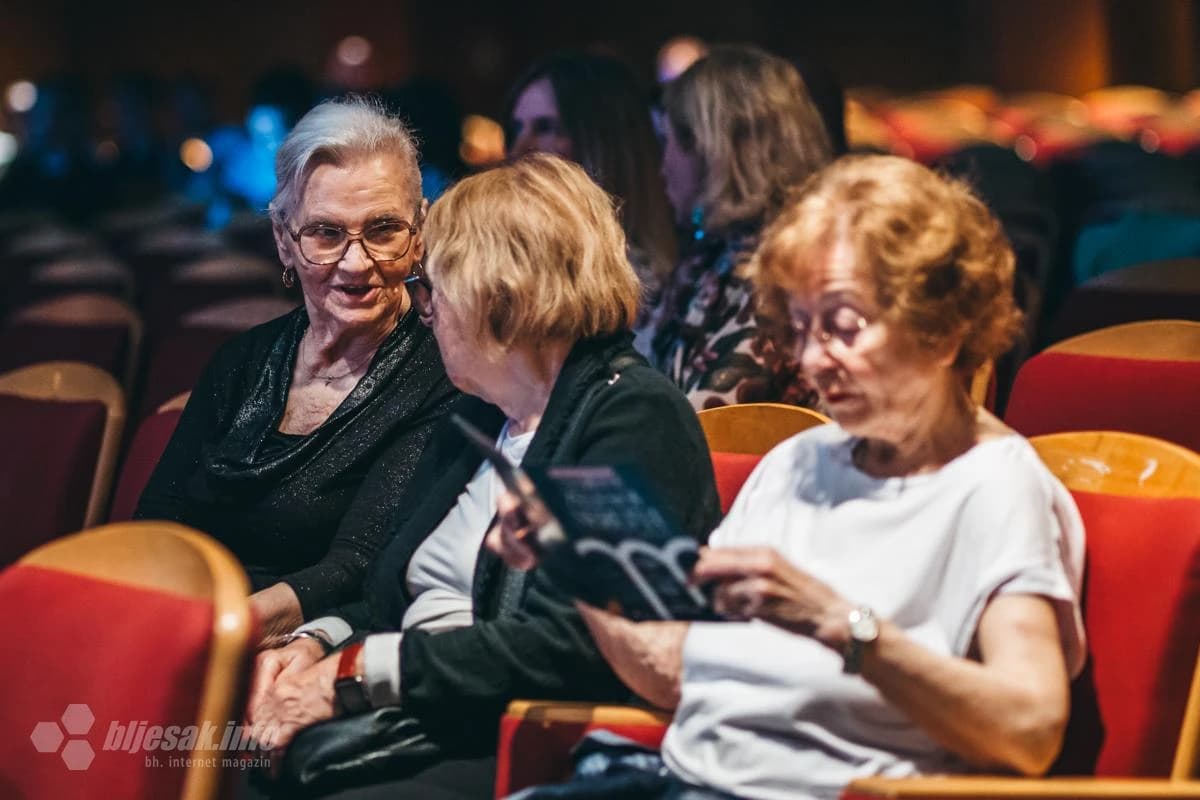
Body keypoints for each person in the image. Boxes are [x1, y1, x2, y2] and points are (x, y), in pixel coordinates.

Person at [491, 155, 1087, 800]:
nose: (812, 359)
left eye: (843, 327)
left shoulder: (994, 484)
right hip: (679, 779)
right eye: (802, 329)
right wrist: (576, 562)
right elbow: (676, 675)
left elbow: (1030, 730)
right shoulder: (798, 461)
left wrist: (840, 623)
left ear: (942, 330)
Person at [246, 154, 720, 799]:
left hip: (526, 739)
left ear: (497, 295)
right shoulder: (475, 416)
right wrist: (316, 642)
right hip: (420, 714)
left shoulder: (631, 417)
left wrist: (358, 673)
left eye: (433, 290)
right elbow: (392, 598)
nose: (425, 312)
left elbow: (574, 646)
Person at [136, 97, 458, 643]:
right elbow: (158, 525)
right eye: (326, 234)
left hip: (307, 644)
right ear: (284, 241)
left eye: (383, 230)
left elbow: (356, 567)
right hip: (190, 625)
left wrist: (214, 634)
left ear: (419, 232)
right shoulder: (241, 361)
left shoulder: (442, 375)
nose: (356, 263)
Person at [646, 44, 833, 409]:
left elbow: (704, 419)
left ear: (715, 150)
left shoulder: (780, 270)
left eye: (669, 142)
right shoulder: (713, 255)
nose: (661, 165)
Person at [505, 52, 678, 313]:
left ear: (603, 142)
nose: (518, 148)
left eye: (545, 127)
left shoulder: (649, 286)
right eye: (517, 128)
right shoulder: (515, 262)